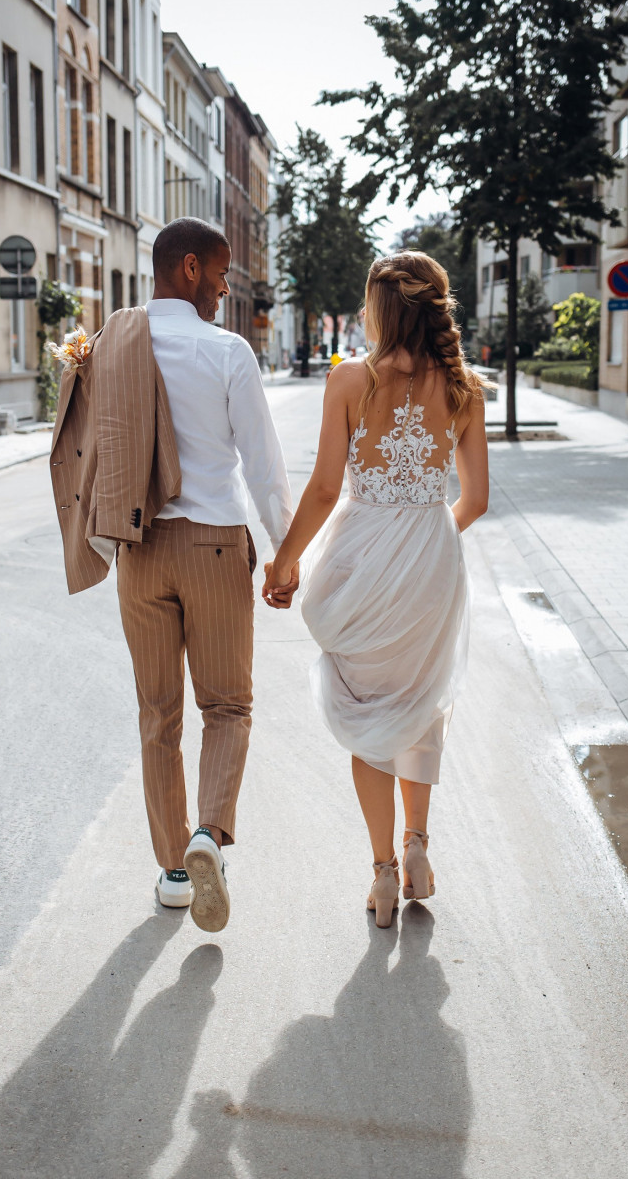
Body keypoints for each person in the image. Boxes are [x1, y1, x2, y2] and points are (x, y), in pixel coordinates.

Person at [51, 218, 295, 934]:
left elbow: (87, 448)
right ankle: (208, 835)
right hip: (216, 546)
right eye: (219, 275)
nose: (225, 290)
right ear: (188, 268)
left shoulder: (109, 346)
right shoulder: (225, 352)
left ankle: (174, 872)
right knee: (227, 709)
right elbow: (263, 464)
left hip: (140, 549)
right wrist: (285, 552)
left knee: (158, 714)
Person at [263, 251, 491, 927]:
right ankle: (419, 846)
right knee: (422, 705)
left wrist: (283, 563)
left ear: (377, 309)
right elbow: (475, 501)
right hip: (432, 560)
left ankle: (384, 873)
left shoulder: (349, 382)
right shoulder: (465, 388)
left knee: (370, 718)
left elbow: (327, 488)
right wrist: (429, 540)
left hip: (361, 560)